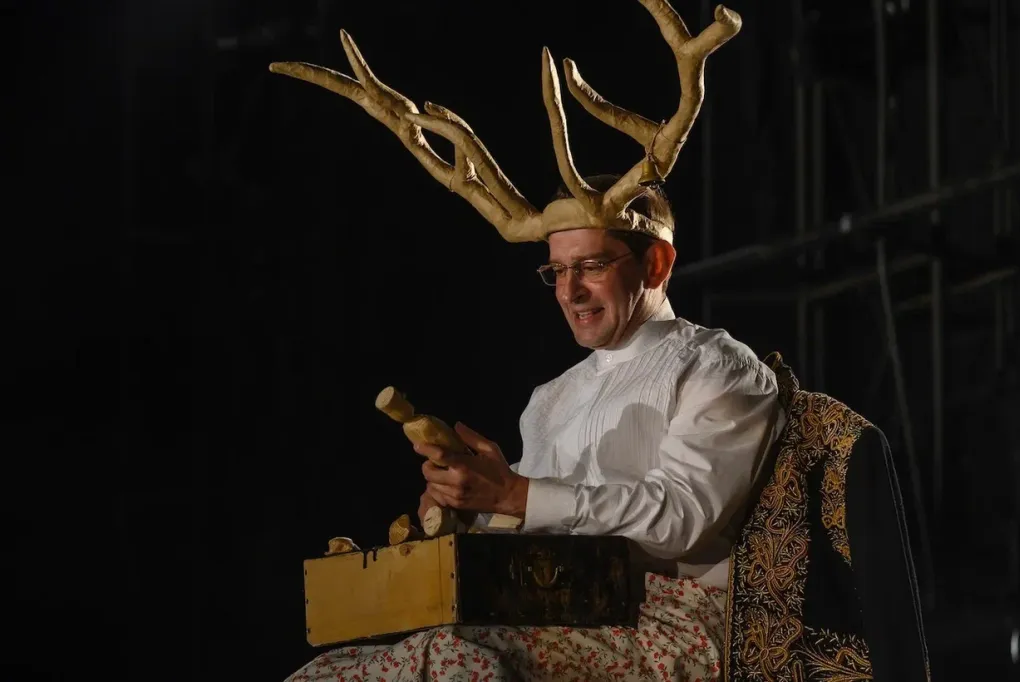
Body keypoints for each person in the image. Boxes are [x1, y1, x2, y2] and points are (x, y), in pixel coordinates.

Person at [271, 2, 782, 679]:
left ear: (656, 265)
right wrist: (468, 507)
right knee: (327, 673)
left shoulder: (717, 368)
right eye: (556, 272)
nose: (570, 292)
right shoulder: (552, 398)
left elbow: (682, 517)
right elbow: (533, 538)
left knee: (454, 661)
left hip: (668, 624)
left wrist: (516, 494)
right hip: (557, 612)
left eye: (591, 266)